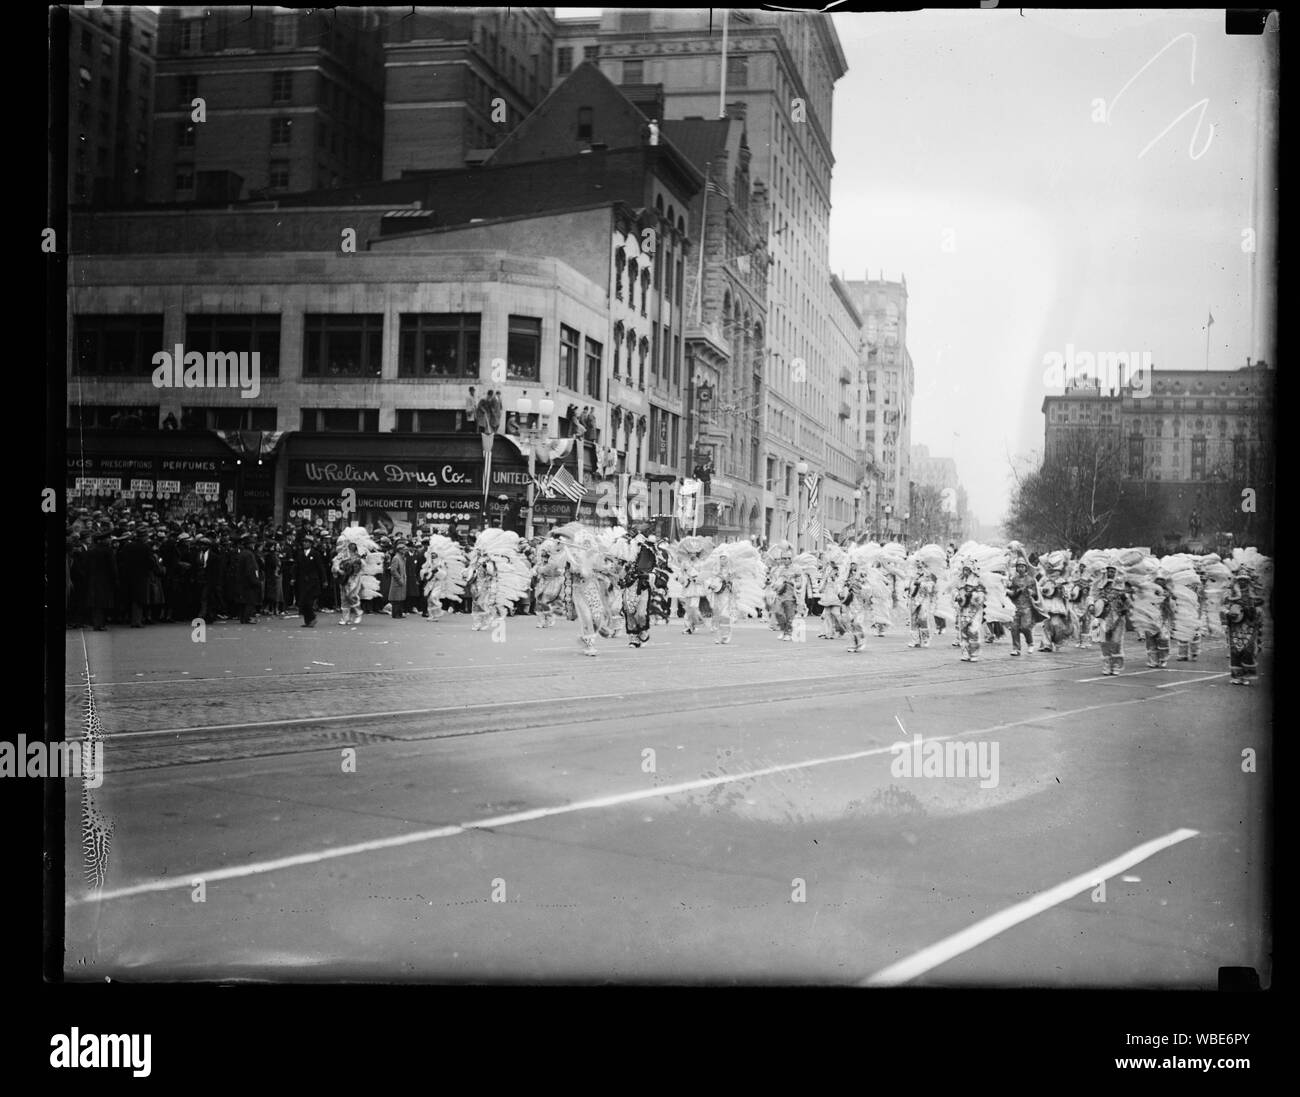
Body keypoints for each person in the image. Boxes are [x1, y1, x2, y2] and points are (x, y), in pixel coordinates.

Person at [1090, 563, 1131, 676]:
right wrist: (1091, 606)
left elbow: (1128, 603)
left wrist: (1124, 601)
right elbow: (1092, 597)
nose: (1110, 573)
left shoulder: (1121, 587)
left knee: (1116, 642)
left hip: (1118, 618)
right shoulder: (1098, 585)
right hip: (1103, 618)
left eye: (1113, 571)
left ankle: (1116, 665)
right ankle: (1107, 665)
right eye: (1109, 571)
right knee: (1104, 643)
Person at [1006, 558, 1042, 657]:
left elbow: (1036, 594)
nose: (1020, 568)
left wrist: (1031, 592)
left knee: (1025, 627)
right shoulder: (1014, 579)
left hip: (1027, 607)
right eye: (1018, 566)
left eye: (1022, 566)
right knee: (1014, 628)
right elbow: (1012, 593)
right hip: (1015, 606)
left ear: (1025, 568)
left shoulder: (1031, 579)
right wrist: (1009, 592)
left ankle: (1030, 643)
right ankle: (1016, 648)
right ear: (1016, 568)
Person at [294, 534, 329, 627]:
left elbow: (321, 567)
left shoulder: (315, 554)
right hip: (302, 581)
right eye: (304, 542)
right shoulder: (300, 554)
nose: (305, 543)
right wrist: (293, 577)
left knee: (308, 601)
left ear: (311, 544)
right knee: (303, 602)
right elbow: (296, 567)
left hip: (313, 581)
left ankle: (312, 618)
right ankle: (308, 621)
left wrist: (324, 580)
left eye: (307, 542)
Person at [85, 531, 117, 631]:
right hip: (105, 580)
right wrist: (116, 579)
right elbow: (113, 567)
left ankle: (96, 623)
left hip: (93, 579)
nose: (110, 540)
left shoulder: (92, 550)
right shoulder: (108, 551)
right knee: (103, 603)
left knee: (96, 603)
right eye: (108, 538)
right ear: (104, 540)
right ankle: (101, 624)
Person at [954, 565, 985, 663]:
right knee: (963, 632)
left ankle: (974, 653)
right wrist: (958, 596)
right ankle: (965, 653)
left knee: (973, 631)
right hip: (963, 610)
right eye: (964, 569)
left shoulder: (978, 581)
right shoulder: (960, 581)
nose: (966, 572)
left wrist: (972, 595)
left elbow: (981, 597)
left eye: (968, 570)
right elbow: (954, 590)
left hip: (974, 610)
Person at [235, 533, 263, 624]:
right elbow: (251, 569)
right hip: (249, 581)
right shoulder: (249, 555)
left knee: (244, 601)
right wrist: (255, 580)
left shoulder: (242, 553)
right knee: (250, 601)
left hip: (241, 580)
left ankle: (243, 618)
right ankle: (248, 618)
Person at [386, 539, 408, 619]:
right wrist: (399, 579)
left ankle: (399, 613)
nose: (405, 551)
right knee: (396, 599)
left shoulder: (402, 558)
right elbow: (393, 570)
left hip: (401, 581)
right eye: (403, 550)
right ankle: (395, 614)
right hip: (397, 581)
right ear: (400, 550)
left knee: (400, 598)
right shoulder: (396, 558)